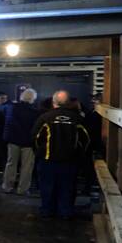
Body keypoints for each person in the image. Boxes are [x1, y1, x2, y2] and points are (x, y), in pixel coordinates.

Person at [32, 90, 92, 219]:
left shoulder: (45, 118)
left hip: (48, 160)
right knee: (68, 188)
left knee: (47, 187)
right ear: (68, 103)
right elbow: (86, 139)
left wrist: (40, 153)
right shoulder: (77, 118)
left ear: (54, 102)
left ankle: (47, 211)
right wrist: (79, 154)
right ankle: (65, 212)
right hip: (70, 161)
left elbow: (35, 138)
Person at [1, 88, 38, 195]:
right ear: (32, 99)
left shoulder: (12, 108)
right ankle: (23, 189)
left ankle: (7, 187)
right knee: (27, 167)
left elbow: (6, 122)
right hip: (28, 143)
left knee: (11, 164)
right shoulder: (34, 112)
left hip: (13, 140)